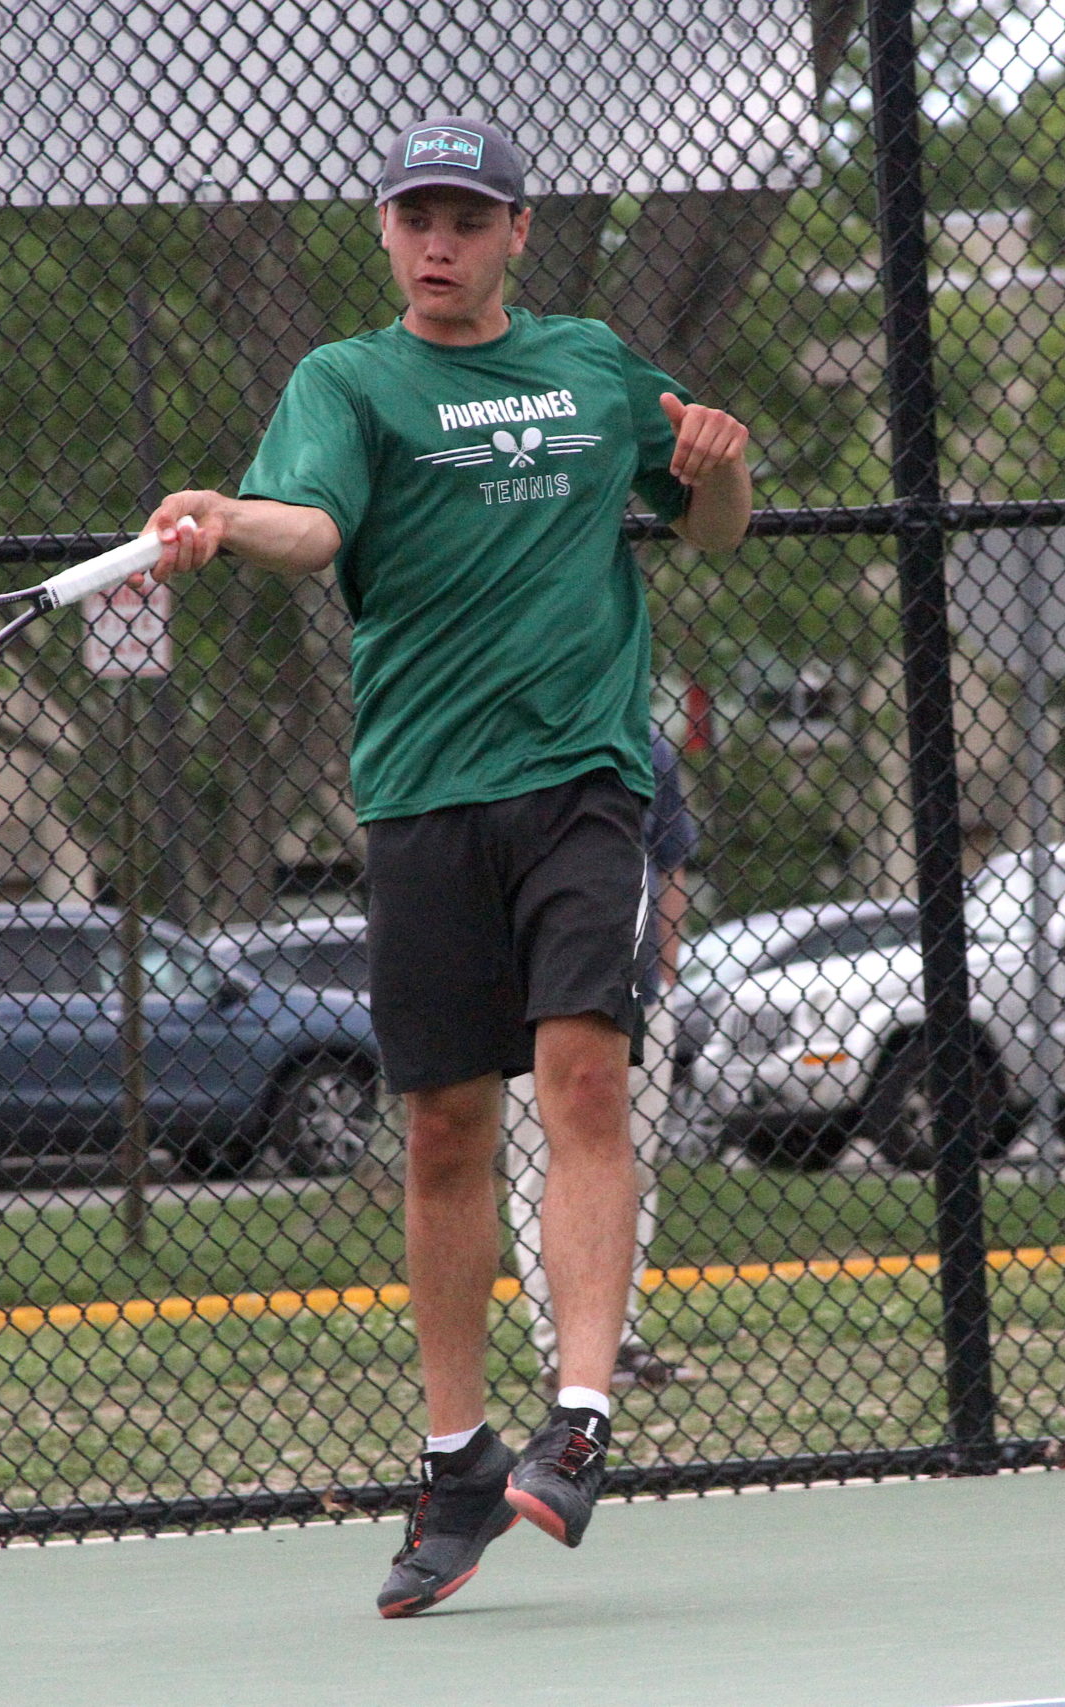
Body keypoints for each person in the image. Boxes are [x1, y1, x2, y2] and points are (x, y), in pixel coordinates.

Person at [141, 114, 752, 1616]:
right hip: (422, 797)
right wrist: (224, 516)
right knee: (441, 1129)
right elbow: (311, 524)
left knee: (586, 1073)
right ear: (386, 228)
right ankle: (457, 1455)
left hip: (588, 783)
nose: (438, 241)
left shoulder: (596, 364)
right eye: (415, 214)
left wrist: (723, 461)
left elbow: (717, 528)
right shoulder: (348, 380)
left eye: (467, 218)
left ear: (516, 234)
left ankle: (583, 1419)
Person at [500, 730, 699, 1394]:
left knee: (632, 1164)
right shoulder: (510, 724)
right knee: (539, 1166)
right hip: (536, 990)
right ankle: (561, 1343)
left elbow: (670, 865)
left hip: (634, 982)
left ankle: (618, 1334)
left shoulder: (646, 743)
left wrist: (664, 973)